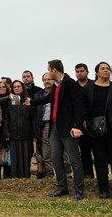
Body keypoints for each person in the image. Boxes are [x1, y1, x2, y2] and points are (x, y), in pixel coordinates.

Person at [30, 60, 85, 200]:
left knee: (74, 160)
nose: (48, 73)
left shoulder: (70, 84)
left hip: (68, 128)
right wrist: (30, 102)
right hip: (54, 127)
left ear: (54, 70)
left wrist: (77, 126)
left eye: (48, 70)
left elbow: (79, 107)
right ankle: (62, 187)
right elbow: (48, 98)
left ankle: (79, 190)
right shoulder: (56, 86)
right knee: (55, 158)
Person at [83, 62, 112, 199]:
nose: (106, 70)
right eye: (102, 69)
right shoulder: (88, 88)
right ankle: (103, 190)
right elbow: (83, 107)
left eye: (107, 68)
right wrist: (83, 120)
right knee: (100, 160)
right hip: (96, 130)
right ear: (96, 72)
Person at [4, 80, 35, 178]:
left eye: (19, 86)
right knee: (15, 158)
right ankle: (15, 178)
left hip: (27, 134)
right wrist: (7, 132)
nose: (17, 88)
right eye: (15, 87)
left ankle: (26, 178)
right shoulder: (12, 101)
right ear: (12, 89)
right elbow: (6, 118)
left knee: (26, 157)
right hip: (13, 134)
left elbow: (33, 118)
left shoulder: (28, 100)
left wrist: (35, 133)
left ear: (22, 88)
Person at [75, 63, 95, 179]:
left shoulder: (93, 85)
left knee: (98, 151)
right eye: (77, 71)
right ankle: (87, 174)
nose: (79, 73)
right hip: (79, 124)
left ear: (87, 72)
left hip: (94, 122)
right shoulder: (73, 86)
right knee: (84, 150)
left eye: (82, 71)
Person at [0, 80, 11, 178]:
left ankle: (7, 175)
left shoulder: (12, 97)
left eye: (3, 87)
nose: (2, 88)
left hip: (9, 129)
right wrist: (8, 98)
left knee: (8, 152)